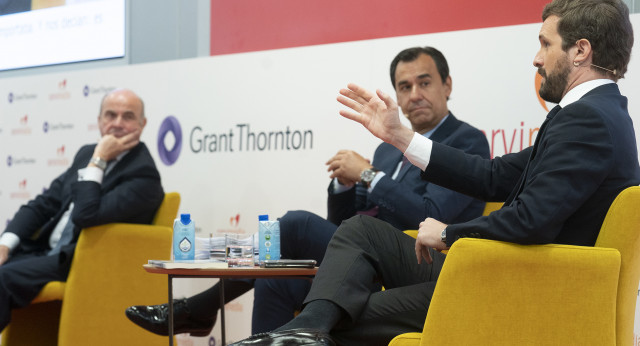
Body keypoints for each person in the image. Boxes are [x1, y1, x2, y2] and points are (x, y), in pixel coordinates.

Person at [229, 0, 640, 345]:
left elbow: (532, 220)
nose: (536, 58)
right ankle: (305, 331)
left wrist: (447, 234)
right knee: (361, 231)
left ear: (580, 50)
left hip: (518, 285)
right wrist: (401, 137)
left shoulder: (589, 121)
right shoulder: (590, 115)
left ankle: (304, 332)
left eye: (545, 44)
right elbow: (494, 175)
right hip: (498, 268)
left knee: (350, 313)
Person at [125, 46, 491, 336]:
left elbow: (426, 211)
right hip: (363, 257)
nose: (414, 95)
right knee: (277, 282)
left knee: (297, 225)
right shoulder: (386, 148)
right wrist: (345, 186)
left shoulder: (466, 143)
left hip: (412, 261)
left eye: (424, 83)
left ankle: (199, 308)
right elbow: (346, 228)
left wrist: (368, 175)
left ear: (448, 85)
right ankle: (209, 314)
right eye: (404, 87)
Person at [0, 88, 165, 332]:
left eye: (128, 117)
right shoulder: (85, 154)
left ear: (142, 124)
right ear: (99, 121)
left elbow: (85, 215)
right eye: (111, 115)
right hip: (46, 252)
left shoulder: (144, 176)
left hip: (81, 262)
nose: (117, 124)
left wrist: (99, 159)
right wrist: (5, 244)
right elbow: (44, 203)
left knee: (2, 279)